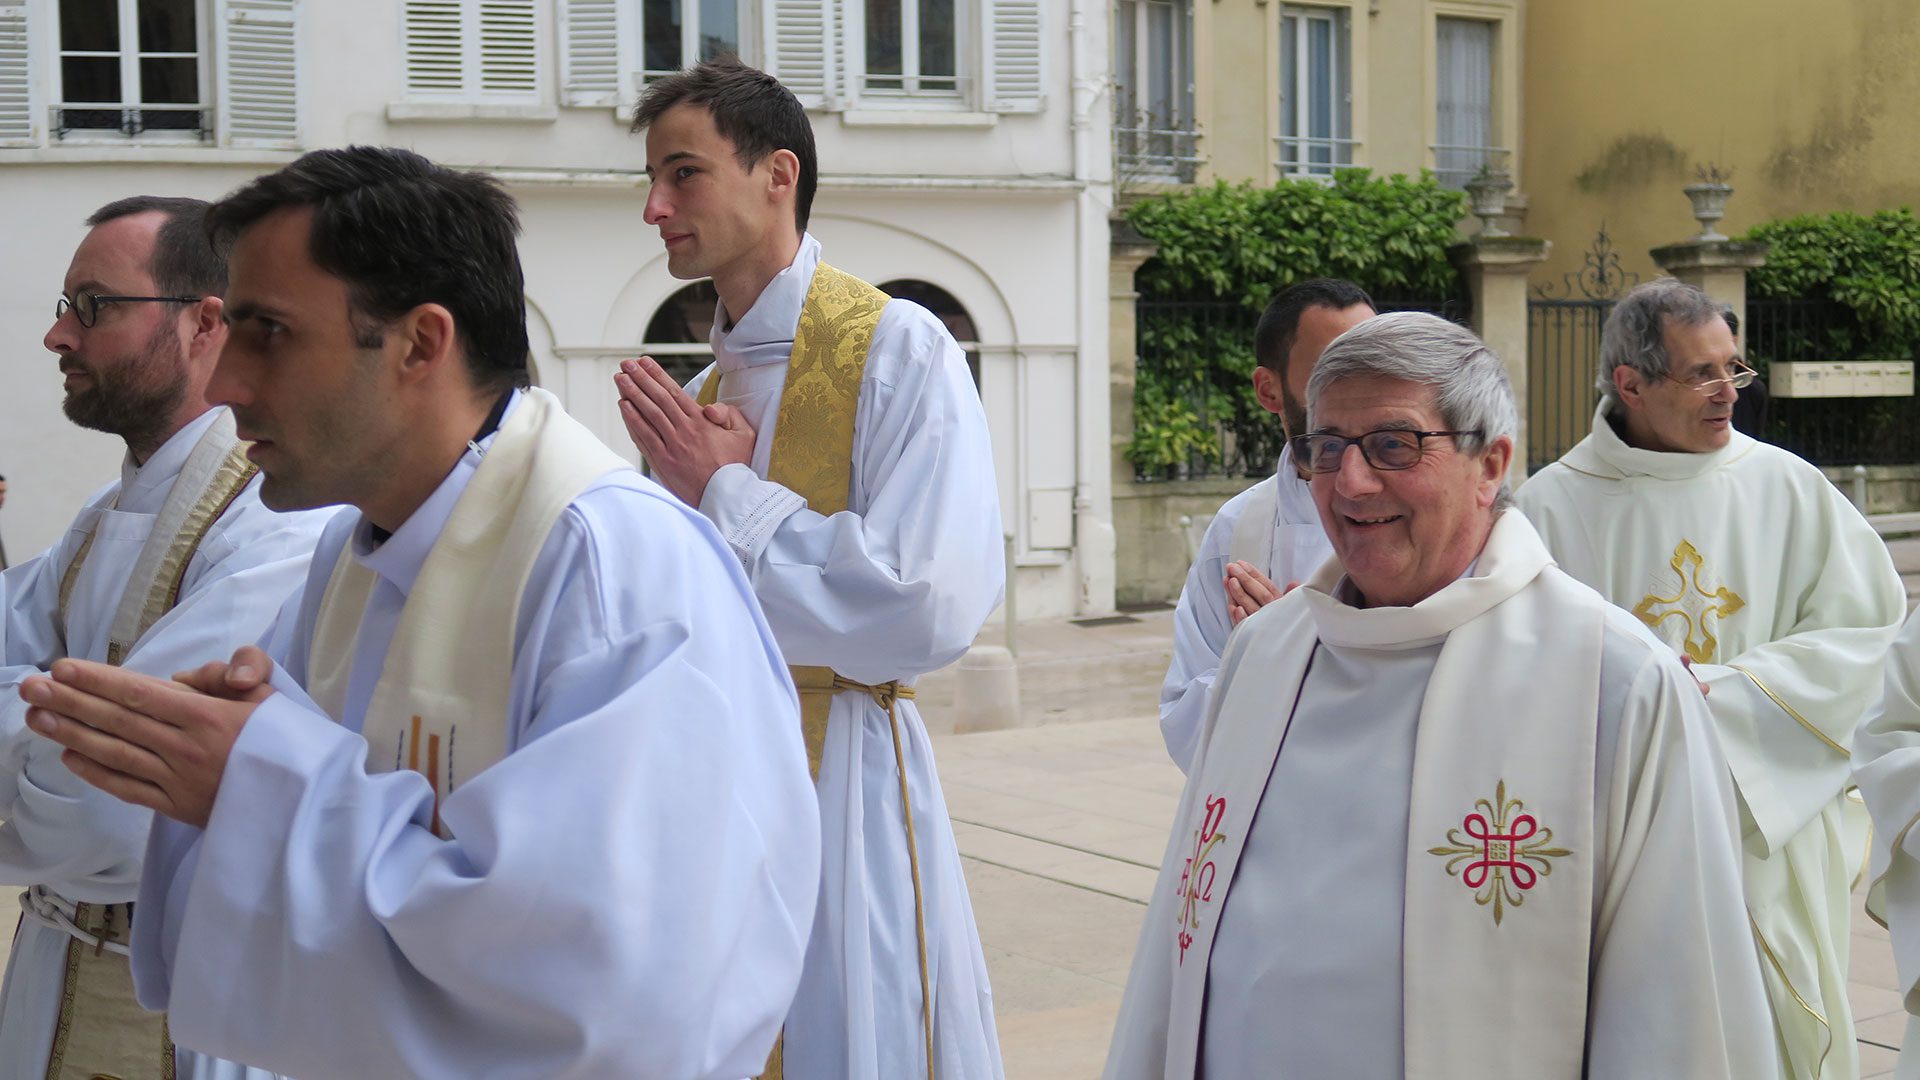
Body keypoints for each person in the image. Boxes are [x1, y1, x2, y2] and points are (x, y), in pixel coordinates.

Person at [21, 147, 821, 1079]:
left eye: (268, 332)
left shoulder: (611, 569)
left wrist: (257, 776)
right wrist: (226, 760)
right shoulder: (350, 553)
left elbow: (605, 989)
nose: (227, 381)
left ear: (419, 344)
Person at [1104, 312, 1776, 1080]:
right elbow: (1176, 945)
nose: (1351, 482)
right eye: (1326, 448)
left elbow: (1673, 1010)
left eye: (1394, 444)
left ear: (1490, 464)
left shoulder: (1615, 679)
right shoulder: (1265, 651)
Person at [618, 60, 1005, 1080]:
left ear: (776, 173)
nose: (655, 207)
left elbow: (928, 601)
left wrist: (728, 496)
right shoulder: (700, 388)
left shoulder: (898, 347)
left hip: (849, 782)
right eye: (652, 179)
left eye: (684, 174)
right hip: (711, 786)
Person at [1514, 277, 1904, 1080]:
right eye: (1702, 374)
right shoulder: (1548, 509)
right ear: (1631, 384)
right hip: (1626, 834)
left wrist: (1716, 697)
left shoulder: (1786, 486)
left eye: (1735, 369)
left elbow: (1865, 632)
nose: (1728, 393)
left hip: (1766, 829)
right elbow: (1516, 665)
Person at [0, 196, 331, 1080]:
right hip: (55, 961)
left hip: (191, 999)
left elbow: (112, 807)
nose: (58, 337)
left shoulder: (279, 520)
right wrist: (43, 726)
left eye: (93, 306)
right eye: (64, 308)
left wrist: (44, 720)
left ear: (203, 323)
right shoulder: (100, 519)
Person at [1159, 278, 1373, 770]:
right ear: (1268, 389)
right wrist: (1262, 660)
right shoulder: (1239, 529)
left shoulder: (1422, 512)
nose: (1358, 386)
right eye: (1330, 368)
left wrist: (1295, 653)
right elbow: (1186, 723)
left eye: (1369, 361)